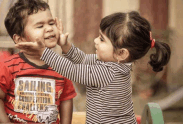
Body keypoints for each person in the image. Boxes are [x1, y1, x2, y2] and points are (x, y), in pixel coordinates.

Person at [16, 11, 171, 124]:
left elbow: (73, 70)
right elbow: (82, 60)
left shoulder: (108, 73)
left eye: (102, 40)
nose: (96, 41)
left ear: (121, 53)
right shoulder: (113, 63)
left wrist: (44, 52)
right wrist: (65, 46)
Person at [0, 0, 77, 124]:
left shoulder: (62, 66)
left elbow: (66, 99)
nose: (49, 28)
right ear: (20, 39)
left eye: (51, 23)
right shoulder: (8, 66)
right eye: (40, 26)